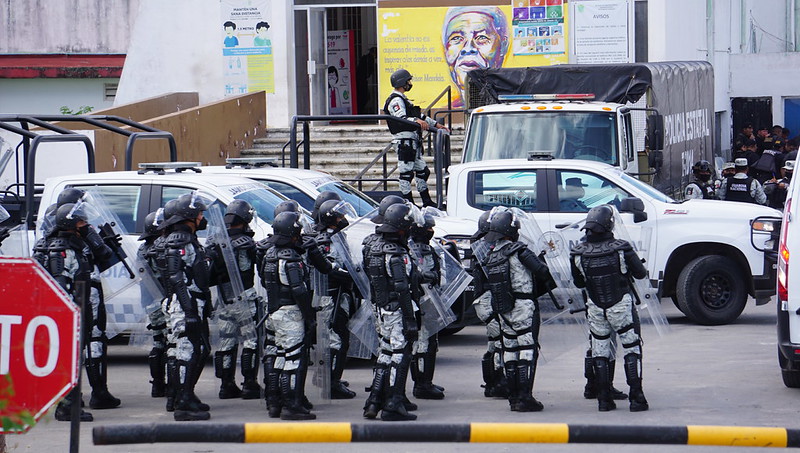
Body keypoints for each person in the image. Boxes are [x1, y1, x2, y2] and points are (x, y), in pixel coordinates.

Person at [43, 197, 123, 421]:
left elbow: (103, 256)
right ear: (71, 224)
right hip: (70, 312)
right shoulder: (61, 248)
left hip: (82, 305)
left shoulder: (75, 245)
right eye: (82, 222)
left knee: (78, 354)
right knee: (69, 356)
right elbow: (60, 285)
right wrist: (70, 316)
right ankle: (66, 406)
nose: (86, 225)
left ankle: (74, 401)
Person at [570, 205, 649, 412]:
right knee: (631, 348)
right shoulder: (621, 248)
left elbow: (579, 283)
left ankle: (604, 399)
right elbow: (640, 274)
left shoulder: (578, 253)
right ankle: (637, 397)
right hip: (620, 304)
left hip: (595, 306)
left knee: (600, 350)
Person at [480, 209, 550, 412]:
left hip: (504, 309)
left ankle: (513, 398)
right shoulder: (520, 251)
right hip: (523, 307)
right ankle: (525, 397)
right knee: (527, 350)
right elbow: (542, 272)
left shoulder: (491, 255)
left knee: (510, 350)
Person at [362, 203, 419, 421]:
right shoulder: (396, 253)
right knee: (400, 354)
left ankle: (374, 400)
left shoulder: (373, 247)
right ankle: (393, 404)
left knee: (385, 353)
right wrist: (410, 319)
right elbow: (402, 287)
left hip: (381, 308)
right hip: (397, 310)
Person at [260, 211, 317, 420]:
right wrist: (309, 316)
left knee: (279, 357)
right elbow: (299, 290)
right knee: (293, 360)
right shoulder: (290, 258)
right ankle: (292, 405)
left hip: (274, 311)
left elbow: (264, 280)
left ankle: (275, 402)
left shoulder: (269, 254)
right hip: (290, 313)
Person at [161, 193, 212, 421]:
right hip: (185, 304)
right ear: (190, 215)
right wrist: (189, 310)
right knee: (187, 351)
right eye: (199, 213)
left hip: (194, 302)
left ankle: (188, 394)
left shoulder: (189, 239)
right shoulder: (179, 240)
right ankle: (182, 404)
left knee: (199, 350)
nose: (202, 217)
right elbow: (176, 278)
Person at [207, 200, 262, 400]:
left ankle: (226, 385)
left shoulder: (215, 241)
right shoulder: (246, 242)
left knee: (226, 342)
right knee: (251, 341)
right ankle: (249, 384)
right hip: (244, 297)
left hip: (224, 298)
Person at [309, 199, 357, 399]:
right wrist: (352, 275)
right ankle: (331, 383)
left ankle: (326, 376)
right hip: (330, 297)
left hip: (336, 295)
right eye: (340, 216)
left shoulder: (334, 237)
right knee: (336, 340)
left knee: (333, 338)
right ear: (331, 219)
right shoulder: (326, 241)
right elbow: (329, 270)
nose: (344, 219)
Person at [384, 68, 448, 207]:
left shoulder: (404, 100)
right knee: (406, 173)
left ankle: (426, 201)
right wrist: (416, 121)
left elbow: (420, 116)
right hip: (404, 141)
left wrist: (436, 124)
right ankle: (409, 203)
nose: (410, 83)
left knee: (423, 171)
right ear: (402, 82)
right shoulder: (396, 100)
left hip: (412, 141)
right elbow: (401, 117)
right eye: (408, 81)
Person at [470, 210, 508, 398]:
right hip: (486, 300)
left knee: (493, 342)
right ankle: (497, 382)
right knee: (500, 342)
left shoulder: (482, 245)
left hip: (484, 301)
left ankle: (492, 383)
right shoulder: (485, 249)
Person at [409, 212, 445, 400]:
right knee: (422, 343)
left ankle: (427, 381)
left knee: (431, 342)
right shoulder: (409, 250)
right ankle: (421, 384)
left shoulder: (430, 249)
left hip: (432, 301)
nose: (431, 231)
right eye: (428, 228)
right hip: (419, 301)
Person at [441, 7, 509, 108]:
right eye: (456, 38)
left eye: (482, 37)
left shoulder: (508, 105)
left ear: (503, 46)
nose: (468, 49)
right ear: (445, 50)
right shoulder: (447, 109)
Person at [138, 210, 169, 399]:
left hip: (150, 302)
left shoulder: (143, 249)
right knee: (171, 343)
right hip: (163, 300)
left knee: (158, 342)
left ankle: (157, 384)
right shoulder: (160, 249)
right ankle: (169, 385)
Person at [356, 47, 377, 114]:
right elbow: (370, 70)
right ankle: (360, 111)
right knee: (365, 97)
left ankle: (360, 111)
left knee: (363, 96)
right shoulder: (369, 59)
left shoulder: (365, 58)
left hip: (360, 79)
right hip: (362, 80)